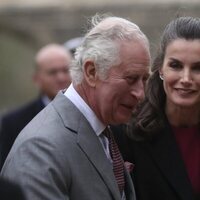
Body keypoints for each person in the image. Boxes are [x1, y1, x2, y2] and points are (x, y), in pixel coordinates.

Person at [1, 14, 150, 200]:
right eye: (131, 79)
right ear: (91, 72)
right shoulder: (40, 150)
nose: (140, 93)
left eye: (145, 79)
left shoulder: (102, 128)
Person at [114, 16, 200, 200]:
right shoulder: (128, 129)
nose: (186, 78)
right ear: (161, 68)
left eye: (197, 68)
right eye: (175, 65)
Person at [0, 43, 72, 169]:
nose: (61, 77)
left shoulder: (96, 114)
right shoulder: (13, 123)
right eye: (52, 72)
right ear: (37, 79)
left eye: (66, 70)